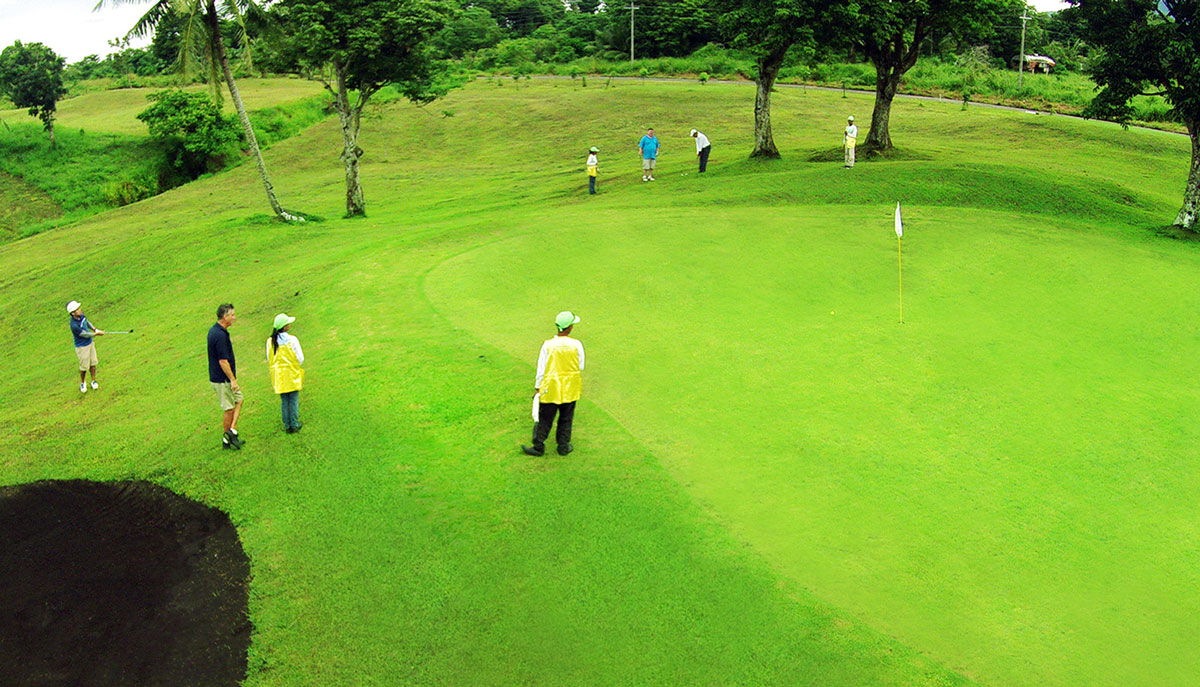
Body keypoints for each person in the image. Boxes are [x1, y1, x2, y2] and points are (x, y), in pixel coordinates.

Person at [523, 311, 585, 457]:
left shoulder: (548, 345)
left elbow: (541, 369)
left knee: (545, 417)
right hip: (570, 386)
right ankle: (563, 446)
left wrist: (537, 388)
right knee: (566, 417)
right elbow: (580, 365)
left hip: (551, 387)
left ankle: (538, 446)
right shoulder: (576, 344)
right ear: (569, 327)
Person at [207, 303, 245, 450]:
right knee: (229, 409)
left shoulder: (217, 331)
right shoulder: (219, 335)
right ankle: (227, 439)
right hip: (222, 379)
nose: (234, 318)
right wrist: (232, 380)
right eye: (232, 315)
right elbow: (223, 361)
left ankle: (232, 431)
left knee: (239, 400)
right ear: (225, 316)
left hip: (224, 378)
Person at [266, 313, 305, 434]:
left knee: (284, 400)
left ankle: (287, 425)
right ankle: (294, 423)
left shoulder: (270, 342)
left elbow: (269, 358)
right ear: (285, 326)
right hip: (291, 373)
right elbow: (300, 358)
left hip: (279, 376)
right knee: (293, 399)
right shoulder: (292, 340)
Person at [67, 300, 104, 394]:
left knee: (93, 362)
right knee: (84, 367)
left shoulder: (81, 315)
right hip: (82, 347)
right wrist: (96, 334)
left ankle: (93, 381)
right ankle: (83, 383)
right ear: (73, 313)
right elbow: (85, 334)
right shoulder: (74, 325)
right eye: (77, 309)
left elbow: (87, 322)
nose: (80, 310)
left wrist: (95, 329)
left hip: (90, 343)